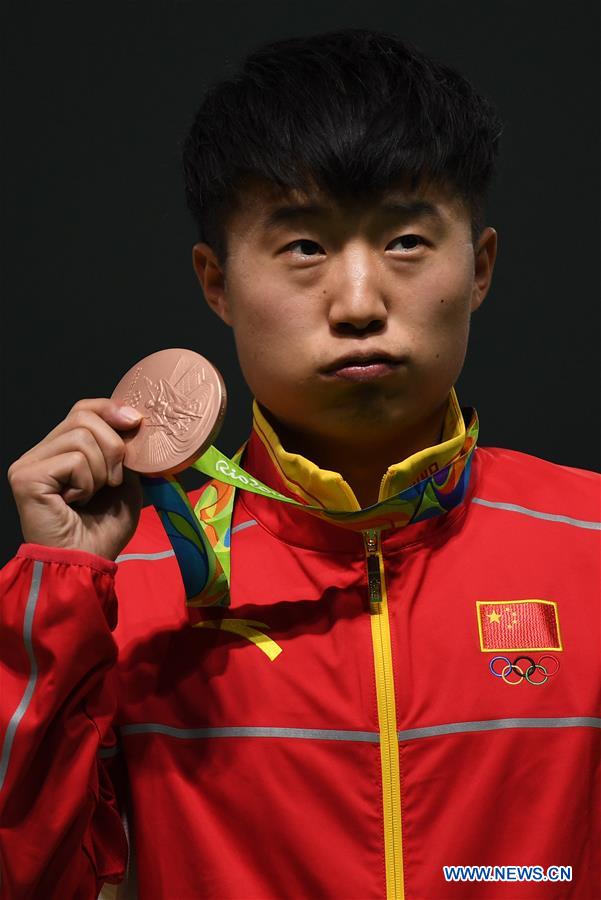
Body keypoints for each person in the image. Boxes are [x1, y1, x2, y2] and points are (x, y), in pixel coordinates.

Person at [1, 27, 599, 900]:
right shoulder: (119, 581)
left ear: (480, 266)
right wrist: (58, 597)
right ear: (216, 283)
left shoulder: (590, 540)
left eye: (403, 240)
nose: (358, 303)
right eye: (304, 248)